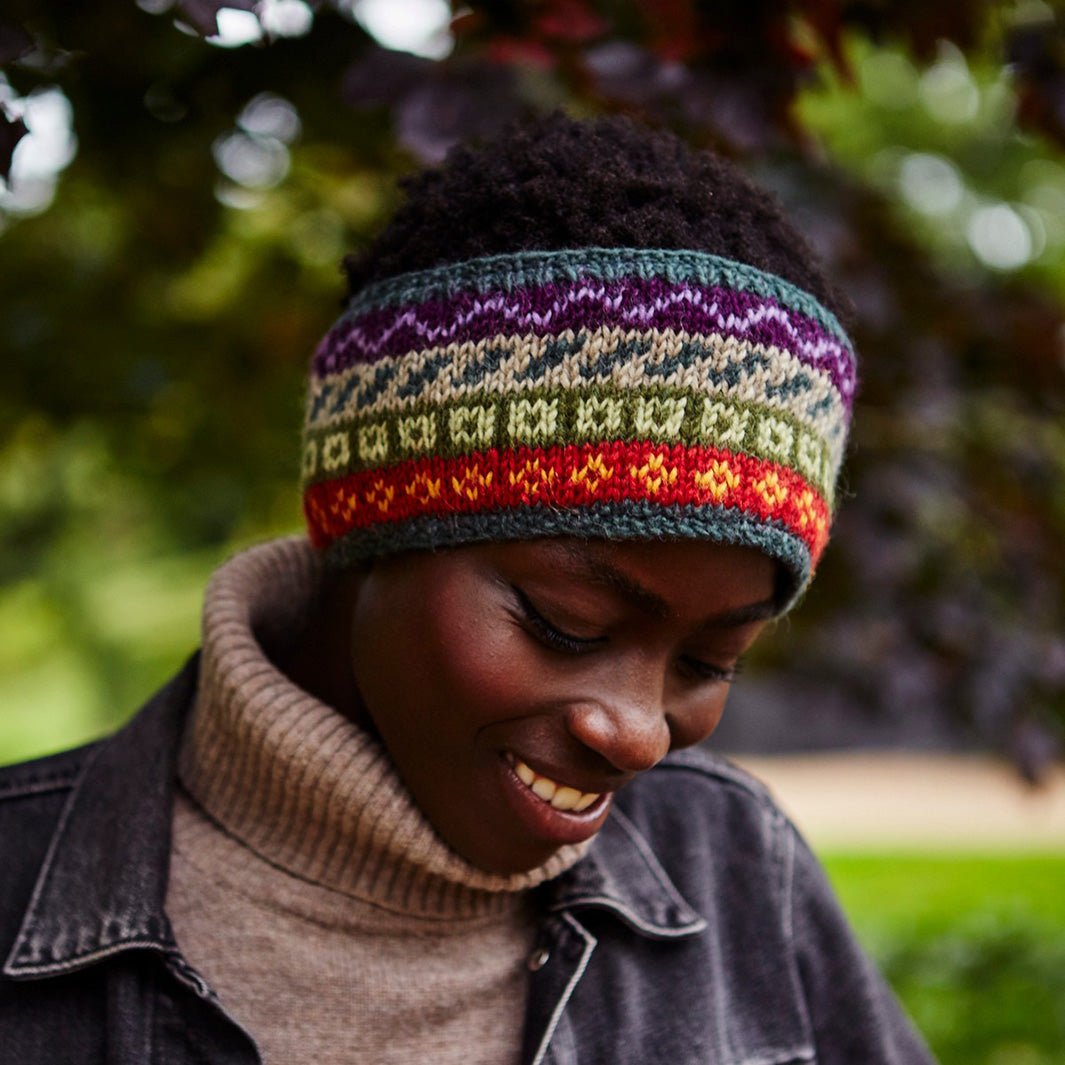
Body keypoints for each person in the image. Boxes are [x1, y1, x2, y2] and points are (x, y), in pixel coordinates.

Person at [0, 113, 935, 1064]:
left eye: (709, 659)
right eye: (567, 625)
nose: (638, 730)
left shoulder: (737, 866)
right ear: (367, 524)